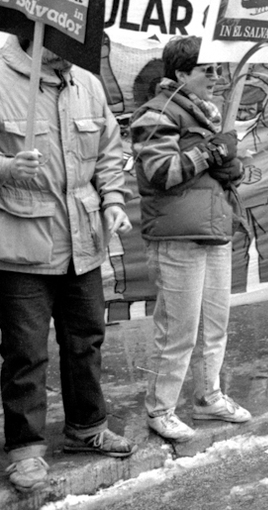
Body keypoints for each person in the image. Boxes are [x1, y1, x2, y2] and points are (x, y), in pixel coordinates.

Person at [0, 37, 135, 492]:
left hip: (84, 242)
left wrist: (113, 202)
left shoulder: (87, 84)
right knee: (25, 352)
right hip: (21, 244)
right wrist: (4, 169)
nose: (78, 49)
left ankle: (86, 427)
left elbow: (110, 157)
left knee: (86, 341)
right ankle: (25, 451)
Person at [129, 36, 249, 443]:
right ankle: (160, 409)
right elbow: (162, 172)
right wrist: (214, 153)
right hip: (177, 236)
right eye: (206, 70)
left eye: (217, 70)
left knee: (216, 323)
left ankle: (209, 395)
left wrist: (233, 168)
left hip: (213, 230)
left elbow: (216, 168)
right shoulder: (156, 113)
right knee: (178, 329)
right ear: (180, 74)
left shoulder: (205, 114)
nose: (215, 78)